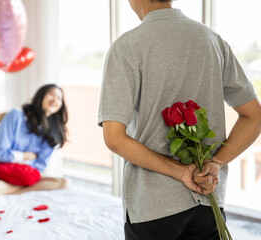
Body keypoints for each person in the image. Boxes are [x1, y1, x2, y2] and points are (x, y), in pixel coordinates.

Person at [98, 0, 261, 239]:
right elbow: (254, 116)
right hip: (208, 201)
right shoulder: (212, 41)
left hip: (153, 207)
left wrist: (181, 172)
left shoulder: (126, 47)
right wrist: (215, 163)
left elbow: (114, 139)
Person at [0, 83, 71, 198]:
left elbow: (40, 165)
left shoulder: (52, 131)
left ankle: (9, 189)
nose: (55, 99)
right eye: (51, 94)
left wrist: (20, 162)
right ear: (41, 96)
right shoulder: (15, 115)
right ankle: (21, 189)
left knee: (65, 183)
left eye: (59, 98)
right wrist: (25, 156)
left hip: (25, 174)